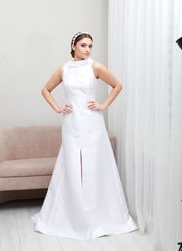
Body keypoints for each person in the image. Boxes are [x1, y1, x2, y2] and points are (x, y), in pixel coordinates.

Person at [31, 31, 138, 240]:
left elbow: (117, 85)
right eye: (83, 45)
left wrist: (103, 105)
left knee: (94, 164)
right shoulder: (64, 69)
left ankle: (97, 213)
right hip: (71, 123)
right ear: (73, 46)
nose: (87, 49)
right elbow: (45, 90)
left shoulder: (94, 66)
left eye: (90, 46)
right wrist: (57, 108)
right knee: (72, 165)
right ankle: (72, 214)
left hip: (92, 122)